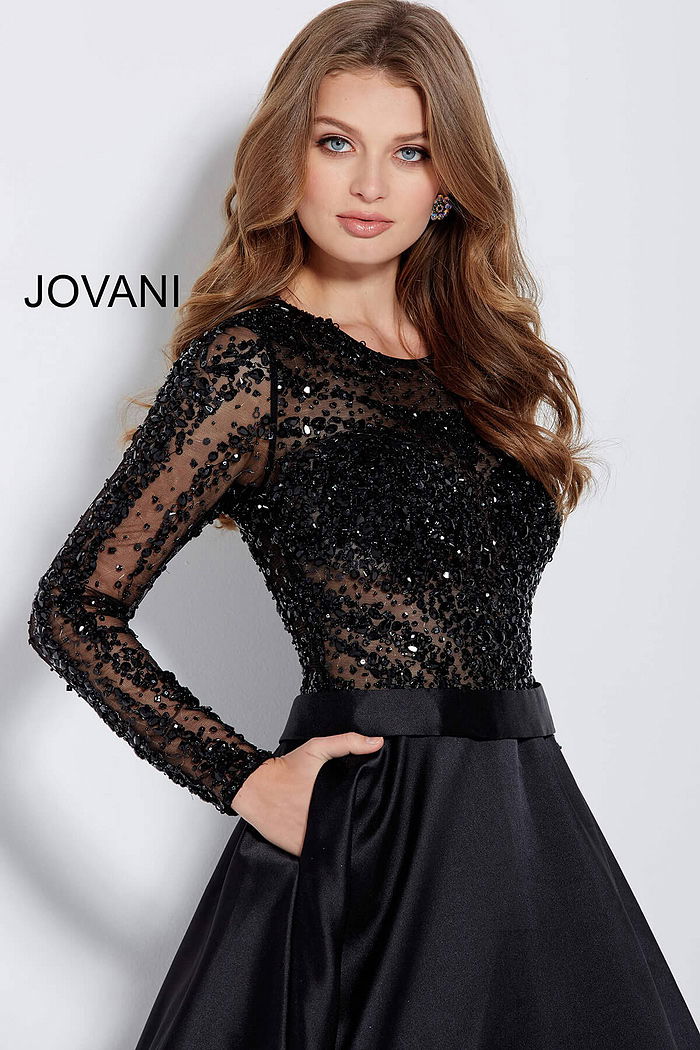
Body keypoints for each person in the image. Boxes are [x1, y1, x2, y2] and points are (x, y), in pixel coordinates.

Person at [27, 2, 700, 1047]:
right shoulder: (251, 364)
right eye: (337, 143)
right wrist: (244, 778)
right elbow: (71, 606)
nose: (371, 186)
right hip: (372, 829)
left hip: (526, 812)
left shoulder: (478, 363)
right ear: (287, 156)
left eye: (410, 151)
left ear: (448, 180)